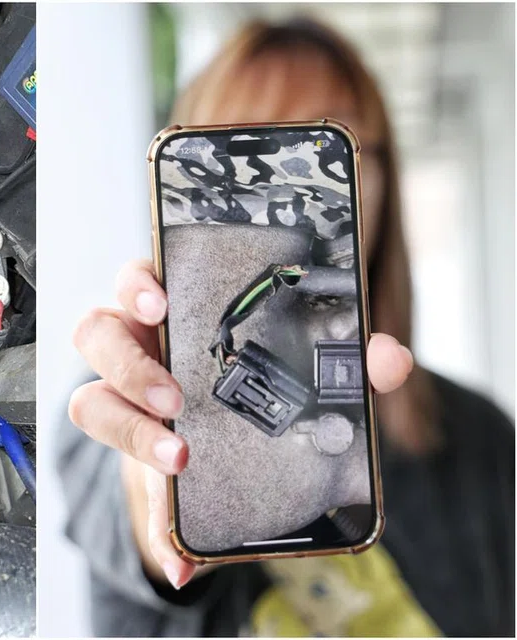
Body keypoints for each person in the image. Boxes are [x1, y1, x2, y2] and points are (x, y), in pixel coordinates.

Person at [58, 18, 514, 637]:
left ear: (383, 178)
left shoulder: (482, 439)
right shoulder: (125, 396)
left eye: (327, 150)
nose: (298, 197)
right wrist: (160, 475)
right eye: (255, 157)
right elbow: (126, 499)